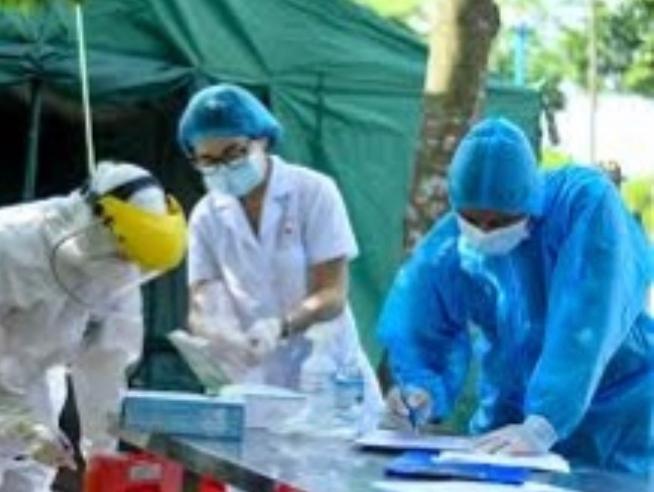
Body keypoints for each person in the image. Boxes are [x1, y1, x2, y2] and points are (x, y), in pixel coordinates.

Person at [379, 118, 654, 477]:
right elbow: (419, 323)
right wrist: (418, 392)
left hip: (614, 411)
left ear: (530, 203)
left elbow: (587, 319)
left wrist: (544, 421)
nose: (484, 231)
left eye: (500, 221)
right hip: (510, 413)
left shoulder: (583, 203)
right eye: (472, 219)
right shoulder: (450, 245)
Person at [177, 83, 382, 419]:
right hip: (254, 384)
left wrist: (281, 326)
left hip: (328, 377)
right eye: (208, 160)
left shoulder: (313, 192)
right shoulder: (206, 216)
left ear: (262, 140)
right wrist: (217, 333)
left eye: (234, 153)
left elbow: (332, 293)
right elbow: (202, 301)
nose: (223, 168)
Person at [0, 161, 187, 491]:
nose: (127, 267)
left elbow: (106, 364)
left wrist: (102, 455)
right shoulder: (11, 245)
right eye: (124, 254)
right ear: (98, 221)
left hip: (40, 400)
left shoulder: (117, 272)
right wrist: (14, 419)